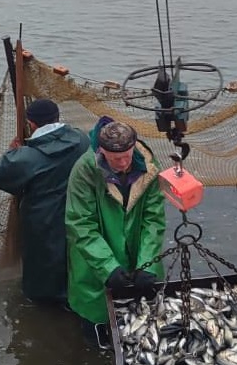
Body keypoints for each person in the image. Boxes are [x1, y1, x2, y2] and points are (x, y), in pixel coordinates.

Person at [65, 118, 166, 342]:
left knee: (148, 322)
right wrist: (108, 268)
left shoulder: (150, 167)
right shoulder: (84, 171)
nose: (122, 163)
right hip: (96, 257)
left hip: (138, 249)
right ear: (101, 150)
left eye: (127, 156)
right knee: (97, 318)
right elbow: (81, 224)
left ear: (134, 147)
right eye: (115, 159)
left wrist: (147, 262)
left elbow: (153, 219)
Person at [0, 98, 90, 304]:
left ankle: (44, 303)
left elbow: (2, 176)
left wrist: (12, 152)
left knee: (43, 262)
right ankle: (73, 297)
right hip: (79, 211)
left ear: (31, 123)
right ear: (57, 118)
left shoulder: (27, 157)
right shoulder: (82, 140)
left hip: (42, 218)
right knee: (74, 255)